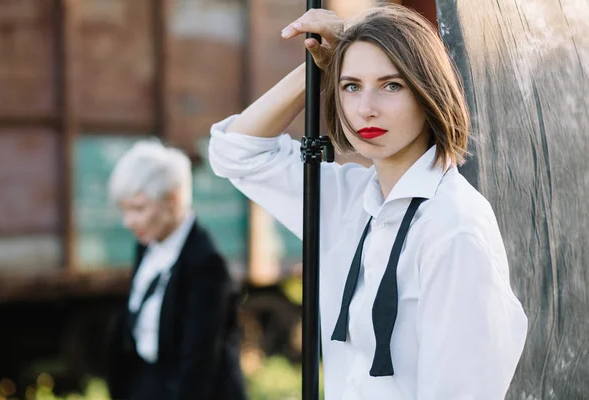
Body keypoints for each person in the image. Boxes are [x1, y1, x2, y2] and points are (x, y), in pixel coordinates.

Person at [208, 4, 527, 400]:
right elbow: (236, 153)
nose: (366, 109)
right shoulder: (349, 201)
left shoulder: (453, 228)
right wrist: (318, 66)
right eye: (351, 86)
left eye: (391, 85)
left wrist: (345, 63)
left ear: (428, 92)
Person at [105, 140, 247, 400]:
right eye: (124, 210)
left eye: (138, 208)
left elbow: (197, 368)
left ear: (173, 201)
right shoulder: (148, 242)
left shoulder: (208, 267)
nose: (128, 222)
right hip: (149, 382)